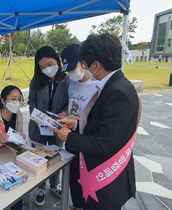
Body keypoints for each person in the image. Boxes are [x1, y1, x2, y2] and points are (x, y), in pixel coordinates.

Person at [54, 33, 140, 210]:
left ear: (97, 65)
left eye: (84, 65)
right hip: (99, 175)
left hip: (105, 179)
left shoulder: (118, 92)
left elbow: (103, 143)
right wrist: (77, 124)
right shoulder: (114, 85)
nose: (84, 69)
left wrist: (69, 137)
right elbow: (104, 124)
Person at [28, 46, 70, 206]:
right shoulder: (36, 80)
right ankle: (41, 187)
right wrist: (34, 115)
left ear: (57, 61)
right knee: (39, 156)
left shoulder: (66, 80)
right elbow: (31, 100)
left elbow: (69, 100)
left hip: (57, 126)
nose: (47, 69)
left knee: (56, 155)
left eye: (50, 64)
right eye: (42, 67)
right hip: (38, 126)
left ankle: (54, 184)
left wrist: (65, 112)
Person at [60, 44, 99, 210]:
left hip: (87, 139)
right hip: (71, 136)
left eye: (73, 68)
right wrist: (65, 113)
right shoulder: (72, 82)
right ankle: (76, 205)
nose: (71, 73)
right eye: (68, 70)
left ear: (83, 63)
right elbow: (73, 105)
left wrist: (77, 119)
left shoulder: (98, 84)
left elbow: (97, 117)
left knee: (88, 178)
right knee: (73, 176)